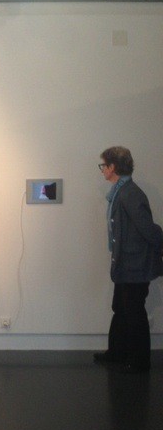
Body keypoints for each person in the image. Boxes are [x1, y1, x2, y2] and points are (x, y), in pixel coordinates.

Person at [94, 146, 163, 373]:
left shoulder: (130, 194)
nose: (102, 170)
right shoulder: (120, 192)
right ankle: (117, 353)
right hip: (126, 265)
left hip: (135, 265)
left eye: (104, 165)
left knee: (134, 312)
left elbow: (147, 228)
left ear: (113, 167)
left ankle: (139, 361)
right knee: (121, 308)